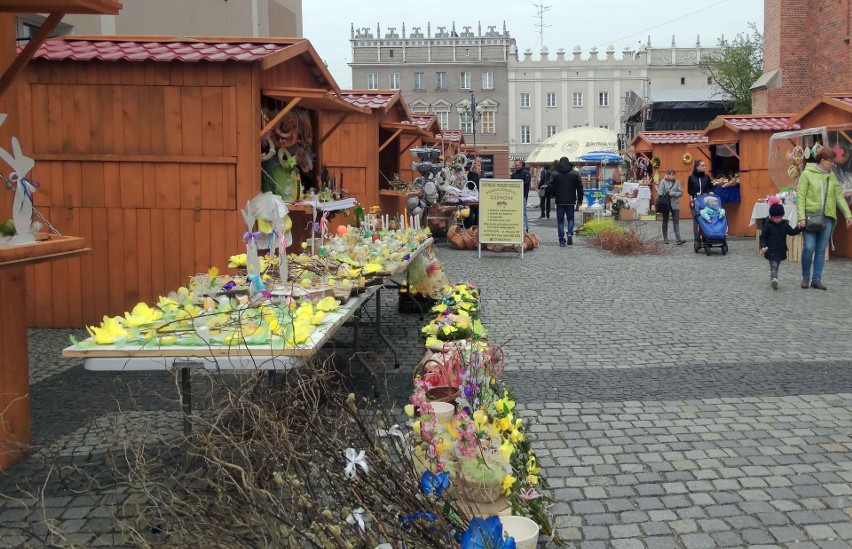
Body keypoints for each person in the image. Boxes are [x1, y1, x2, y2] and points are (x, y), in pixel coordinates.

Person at [795, 147, 852, 290]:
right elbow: (800, 196)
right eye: (830, 161)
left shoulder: (831, 176)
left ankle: (816, 279)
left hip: (827, 217)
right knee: (809, 248)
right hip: (810, 216)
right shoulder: (806, 174)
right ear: (822, 160)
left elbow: (838, 196)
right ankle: (805, 277)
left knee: (820, 249)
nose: (833, 164)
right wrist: (801, 216)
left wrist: (847, 214)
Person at [760, 202, 802, 290]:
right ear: (771, 216)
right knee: (774, 265)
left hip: (780, 249)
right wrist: (763, 246)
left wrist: (800, 228)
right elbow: (763, 237)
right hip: (770, 249)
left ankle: (773, 278)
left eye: (780, 217)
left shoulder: (784, 224)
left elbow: (792, 232)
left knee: (776, 265)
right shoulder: (767, 225)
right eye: (776, 218)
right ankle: (774, 279)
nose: (778, 219)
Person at [549, 156, 583, 246]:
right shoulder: (575, 173)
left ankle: (561, 241)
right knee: (570, 218)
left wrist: (554, 194)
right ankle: (569, 233)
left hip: (559, 200)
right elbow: (580, 187)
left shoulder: (554, 173)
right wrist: (580, 200)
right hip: (571, 200)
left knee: (560, 221)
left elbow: (550, 186)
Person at [687, 159, 714, 243]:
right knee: (696, 220)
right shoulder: (691, 178)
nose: (704, 167)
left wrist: (711, 191)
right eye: (702, 165)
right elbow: (689, 190)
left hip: (705, 201)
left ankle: (707, 236)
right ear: (697, 167)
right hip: (695, 201)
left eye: (705, 165)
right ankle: (697, 239)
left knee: (706, 217)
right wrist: (695, 193)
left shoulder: (706, 177)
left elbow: (711, 186)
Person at [656, 169, 685, 244]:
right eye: (670, 174)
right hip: (665, 204)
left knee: (676, 221)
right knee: (665, 221)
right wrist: (668, 193)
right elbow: (659, 193)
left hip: (675, 204)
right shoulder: (663, 181)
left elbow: (681, 193)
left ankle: (678, 239)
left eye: (673, 174)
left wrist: (673, 194)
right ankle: (665, 238)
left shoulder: (677, 182)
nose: (671, 176)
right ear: (667, 174)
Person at [511, 159, 531, 230]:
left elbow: (527, 182)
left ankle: (525, 227)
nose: (516, 167)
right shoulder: (514, 174)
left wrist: (519, 184)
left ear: (521, 165)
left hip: (523, 195)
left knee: (523, 211)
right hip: (515, 196)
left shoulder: (526, 173)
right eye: (515, 165)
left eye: (517, 165)